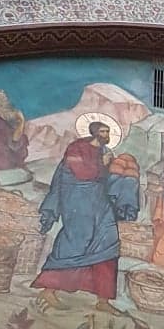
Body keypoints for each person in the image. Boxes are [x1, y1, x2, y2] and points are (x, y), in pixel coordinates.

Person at [33, 119, 141, 307]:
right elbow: (82, 172)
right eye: (103, 131)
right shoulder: (77, 147)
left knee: (108, 242)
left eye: (108, 132)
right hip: (77, 200)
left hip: (98, 201)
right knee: (74, 240)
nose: (107, 135)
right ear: (94, 132)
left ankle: (103, 299)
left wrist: (123, 179)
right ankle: (48, 289)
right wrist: (102, 164)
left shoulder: (105, 152)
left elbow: (104, 178)